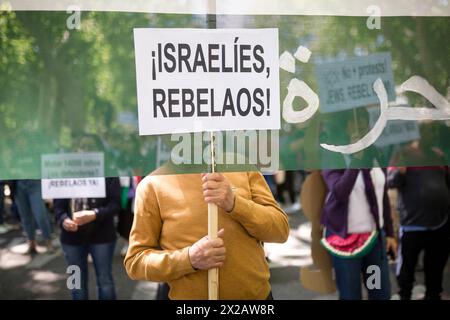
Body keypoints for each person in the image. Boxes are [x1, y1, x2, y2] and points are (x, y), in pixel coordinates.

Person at [124, 171, 289, 299]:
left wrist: (235, 203)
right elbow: (135, 262)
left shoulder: (243, 169)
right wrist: (189, 259)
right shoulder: (152, 185)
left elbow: (280, 231)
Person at [321, 167, 396, 300]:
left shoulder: (375, 154)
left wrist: (389, 233)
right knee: (350, 295)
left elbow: (382, 195)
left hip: (374, 240)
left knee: (379, 292)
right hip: (344, 243)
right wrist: (356, 161)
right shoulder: (332, 155)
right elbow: (340, 193)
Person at [388, 164, 450, 300]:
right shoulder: (401, 156)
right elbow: (391, 182)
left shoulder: (437, 156)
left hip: (439, 224)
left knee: (436, 266)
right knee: (406, 268)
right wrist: (400, 171)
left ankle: (433, 295)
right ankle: (404, 295)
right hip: (412, 226)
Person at [15, 179, 54, 253]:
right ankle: (31, 242)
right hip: (18, 182)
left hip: (35, 180)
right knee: (25, 216)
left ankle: (48, 241)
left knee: (40, 215)